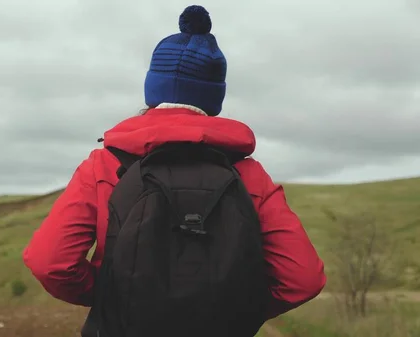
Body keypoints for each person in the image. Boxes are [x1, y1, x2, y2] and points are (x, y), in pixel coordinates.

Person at [23, 4, 326, 337]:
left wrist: (113, 298)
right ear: (214, 97)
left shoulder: (105, 165)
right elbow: (303, 279)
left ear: (152, 88)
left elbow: (49, 262)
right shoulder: (248, 175)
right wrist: (234, 310)